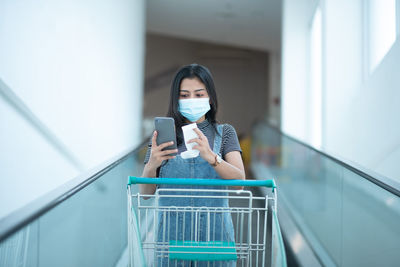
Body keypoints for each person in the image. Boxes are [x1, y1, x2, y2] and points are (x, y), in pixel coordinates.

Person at [141, 63, 245, 267]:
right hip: (172, 241)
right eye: (184, 95)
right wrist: (152, 165)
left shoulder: (225, 133)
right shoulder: (163, 135)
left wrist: (211, 156)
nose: (192, 101)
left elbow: (239, 182)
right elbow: (145, 193)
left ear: (210, 97)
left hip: (216, 241)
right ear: (176, 99)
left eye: (199, 95)